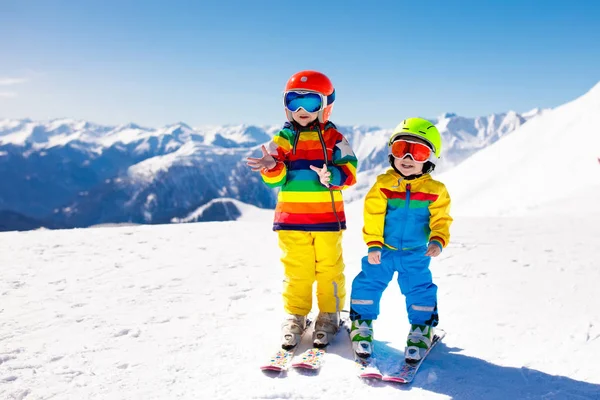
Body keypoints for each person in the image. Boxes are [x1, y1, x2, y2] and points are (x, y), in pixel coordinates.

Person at [246, 70, 358, 349]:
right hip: (291, 221)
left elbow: (350, 170)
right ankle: (296, 314)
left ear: (325, 106)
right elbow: (276, 177)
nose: (301, 110)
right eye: (294, 101)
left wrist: (332, 175)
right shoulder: (282, 139)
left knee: (329, 270)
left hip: (327, 222)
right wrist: (272, 167)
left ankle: (329, 316)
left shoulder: (335, 139)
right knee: (298, 271)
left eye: (310, 103)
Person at [348, 117, 452, 363]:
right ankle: (361, 323)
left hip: (416, 253)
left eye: (417, 152)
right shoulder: (384, 185)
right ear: (391, 153)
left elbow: (441, 219)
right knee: (367, 284)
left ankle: (422, 328)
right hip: (383, 250)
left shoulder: (435, 190)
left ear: (430, 159)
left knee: (420, 289)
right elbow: (373, 214)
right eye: (401, 149)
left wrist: (438, 239)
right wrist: (373, 243)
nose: (407, 158)